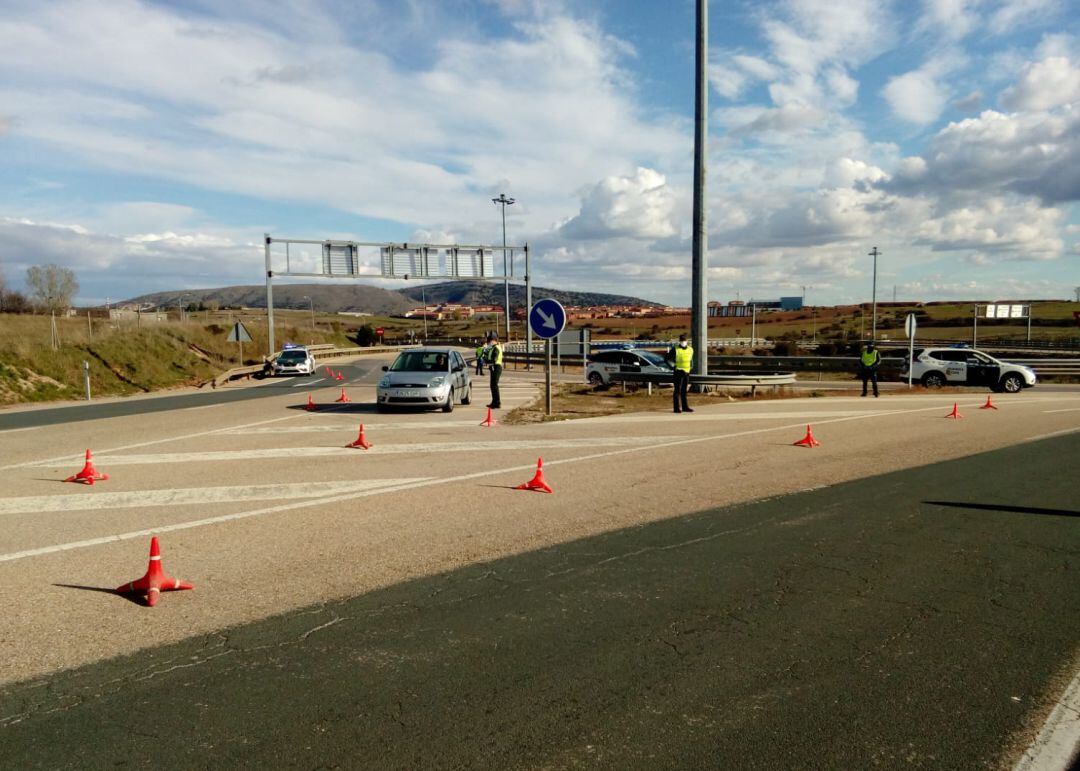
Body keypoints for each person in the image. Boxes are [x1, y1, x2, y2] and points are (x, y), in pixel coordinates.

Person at [669, 334, 694, 413]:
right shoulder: (675, 349)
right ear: (679, 341)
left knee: (684, 390)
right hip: (678, 371)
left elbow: (691, 359)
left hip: (687, 372)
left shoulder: (690, 349)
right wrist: (672, 366)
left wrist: (691, 366)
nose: (683, 342)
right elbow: (667, 359)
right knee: (677, 390)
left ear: (687, 341)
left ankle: (685, 407)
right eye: (682, 340)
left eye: (684, 340)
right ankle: (676, 408)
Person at [485, 331, 504, 409]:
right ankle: (494, 402)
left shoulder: (496, 348)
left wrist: (488, 361)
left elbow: (494, 359)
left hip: (496, 367)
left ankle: (497, 403)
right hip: (493, 367)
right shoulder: (493, 348)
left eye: (489, 341)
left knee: (494, 385)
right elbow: (489, 357)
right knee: (492, 385)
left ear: (493, 340)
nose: (488, 343)